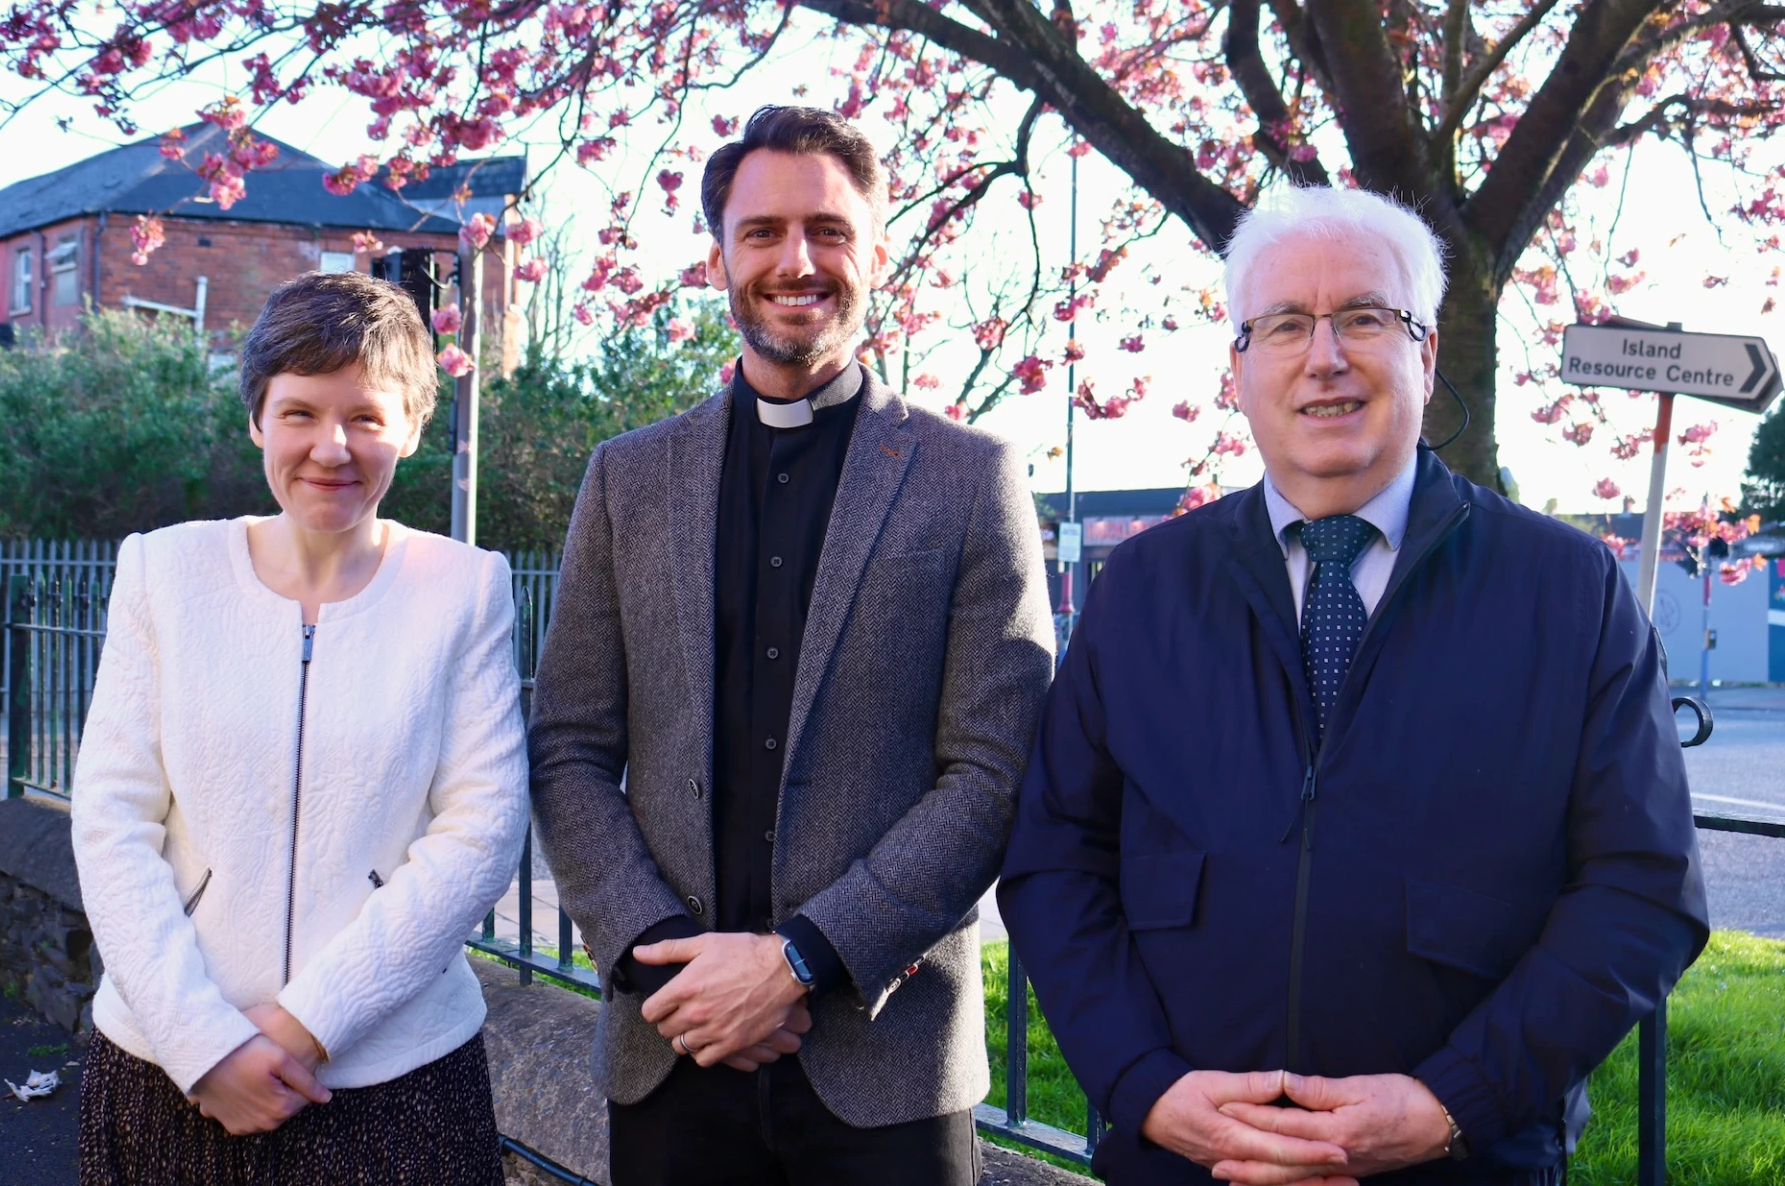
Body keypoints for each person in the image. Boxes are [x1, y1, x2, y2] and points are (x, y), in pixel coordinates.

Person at [998, 187, 1709, 1186]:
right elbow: (1055, 860)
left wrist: (1452, 1103)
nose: (1324, 357)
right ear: (1238, 369)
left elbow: (1642, 893)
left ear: (1423, 353)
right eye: (1285, 324)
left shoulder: (1566, 590)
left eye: (1364, 318)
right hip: (1184, 1161)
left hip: (1465, 1162)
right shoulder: (1145, 588)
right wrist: (1145, 1085)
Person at [529, 105, 1054, 1186]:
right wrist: (657, 958)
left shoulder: (971, 479)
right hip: (670, 1045)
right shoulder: (628, 478)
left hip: (886, 1066)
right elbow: (569, 743)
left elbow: (994, 771)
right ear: (720, 253)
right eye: (762, 231)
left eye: (827, 229)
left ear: (874, 251)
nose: (795, 261)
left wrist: (805, 960)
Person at [71, 271, 528, 1185]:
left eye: (366, 414)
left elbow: (480, 830)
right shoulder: (164, 572)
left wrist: (306, 1023)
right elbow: (113, 818)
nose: (332, 447)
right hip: (171, 1068)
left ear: (409, 424)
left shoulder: (465, 588)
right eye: (300, 412)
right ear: (258, 420)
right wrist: (205, 1042)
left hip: (397, 1075)